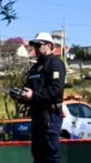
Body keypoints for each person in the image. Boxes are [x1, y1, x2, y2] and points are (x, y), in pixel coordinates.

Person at [20, 31, 65, 163]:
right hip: (37, 115)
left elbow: (55, 91)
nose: (36, 49)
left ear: (49, 45)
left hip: (50, 116)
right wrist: (21, 95)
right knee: (38, 153)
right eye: (34, 46)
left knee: (50, 153)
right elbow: (29, 87)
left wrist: (34, 95)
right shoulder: (35, 67)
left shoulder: (55, 64)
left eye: (39, 45)